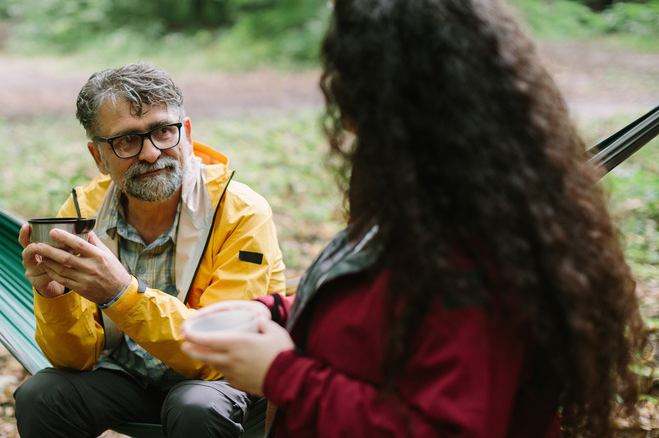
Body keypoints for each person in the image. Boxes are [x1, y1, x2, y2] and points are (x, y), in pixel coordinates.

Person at [180, 1, 650, 437]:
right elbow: (366, 305)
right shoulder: (425, 197)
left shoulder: (472, 255)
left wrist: (282, 374)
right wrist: (274, 312)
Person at [13, 61, 286, 437]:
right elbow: (71, 360)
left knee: (194, 406)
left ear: (186, 133)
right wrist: (54, 297)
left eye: (163, 131)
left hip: (218, 383)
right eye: (127, 140)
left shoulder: (239, 212)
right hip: (126, 380)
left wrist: (120, 294)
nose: (151, 153)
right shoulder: (81, 214)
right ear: (99, 158)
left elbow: (221, 356)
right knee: (41, 394)